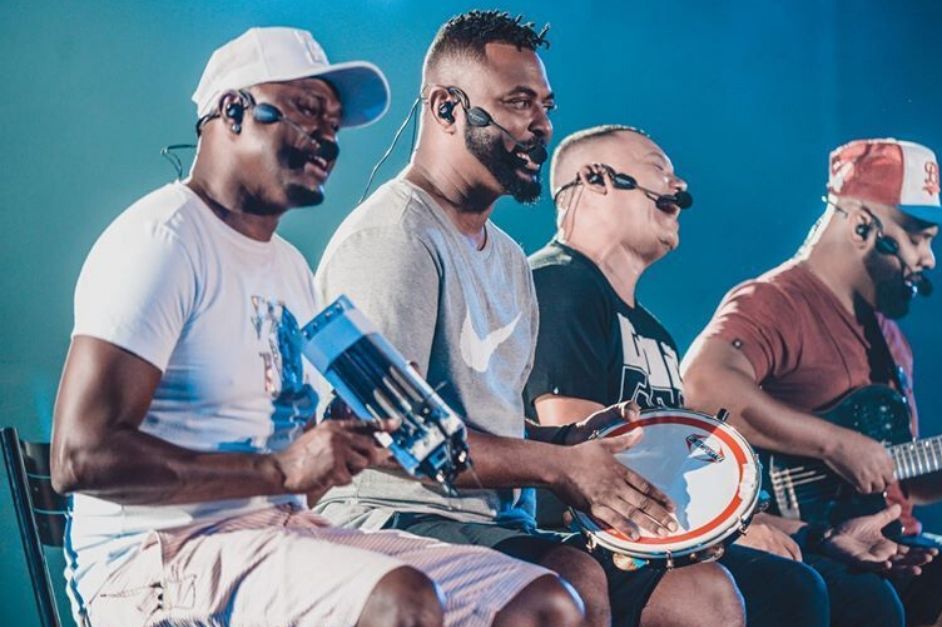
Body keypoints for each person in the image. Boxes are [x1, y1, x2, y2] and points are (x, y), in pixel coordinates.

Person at [51, 26, 582, 627]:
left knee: (543, 602)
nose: (327, 139)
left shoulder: (288, 270)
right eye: (307, 111)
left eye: (334, 124)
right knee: (399, 598)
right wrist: (280, 469)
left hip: (280, 529)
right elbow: (79, 457)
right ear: (233, 111)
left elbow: (296, 480)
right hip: (157, 555)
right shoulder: (164, 239)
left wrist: (345, 441)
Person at [313, 11, 744, 627]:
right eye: (518, 103)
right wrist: (560, 467)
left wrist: (569, 441)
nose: (541, 125)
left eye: (546, 106)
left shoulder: (509, 259)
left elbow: (483, 423)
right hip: (389, 519)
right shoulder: (393, 238)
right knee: (569, 580)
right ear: (446, 108)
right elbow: (384, 436)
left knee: (702, 594)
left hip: (493, 522)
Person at [526, 124, 939, 627]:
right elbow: (588, 472)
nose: (680, 188)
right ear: (596, 180)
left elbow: (686, 484)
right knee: (796, 591)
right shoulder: (561, 285)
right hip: (589, 545)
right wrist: (735, 534)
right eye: (659, 172)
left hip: (655, 532)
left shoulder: (655, 333)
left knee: (863, 597)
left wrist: (817, 536)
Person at [681, 138, 942, 627]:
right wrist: (834, 444)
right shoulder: (775, 301)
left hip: (894, 532)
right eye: (919, 238)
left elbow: (893, 473)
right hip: (824, 541)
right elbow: (702, 384)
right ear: (863, 226)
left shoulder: (890, 337)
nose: (929, 259)